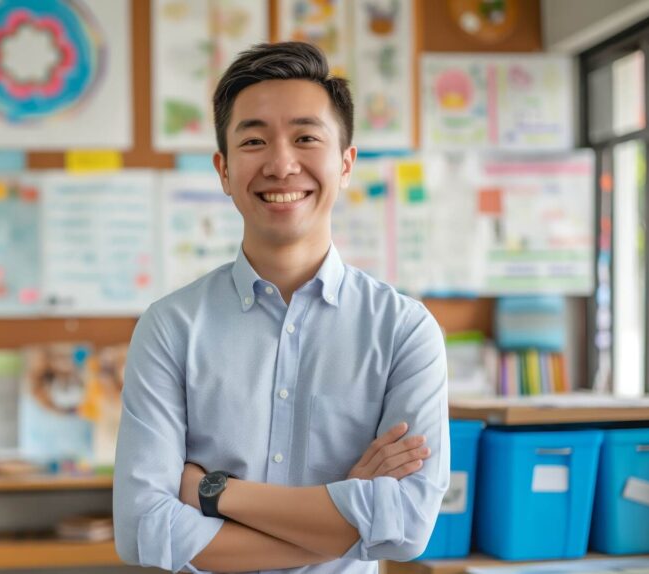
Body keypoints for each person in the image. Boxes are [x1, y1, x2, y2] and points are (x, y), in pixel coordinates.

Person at [113, 41, 449, 573]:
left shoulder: (405, 330)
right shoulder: (170, 327)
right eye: (254, 140)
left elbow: (407, 526)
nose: (281, 163)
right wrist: (347, 521)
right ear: (223, 170)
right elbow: (141, 529)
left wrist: (212, 492)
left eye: (305, 137)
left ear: (345, 164)